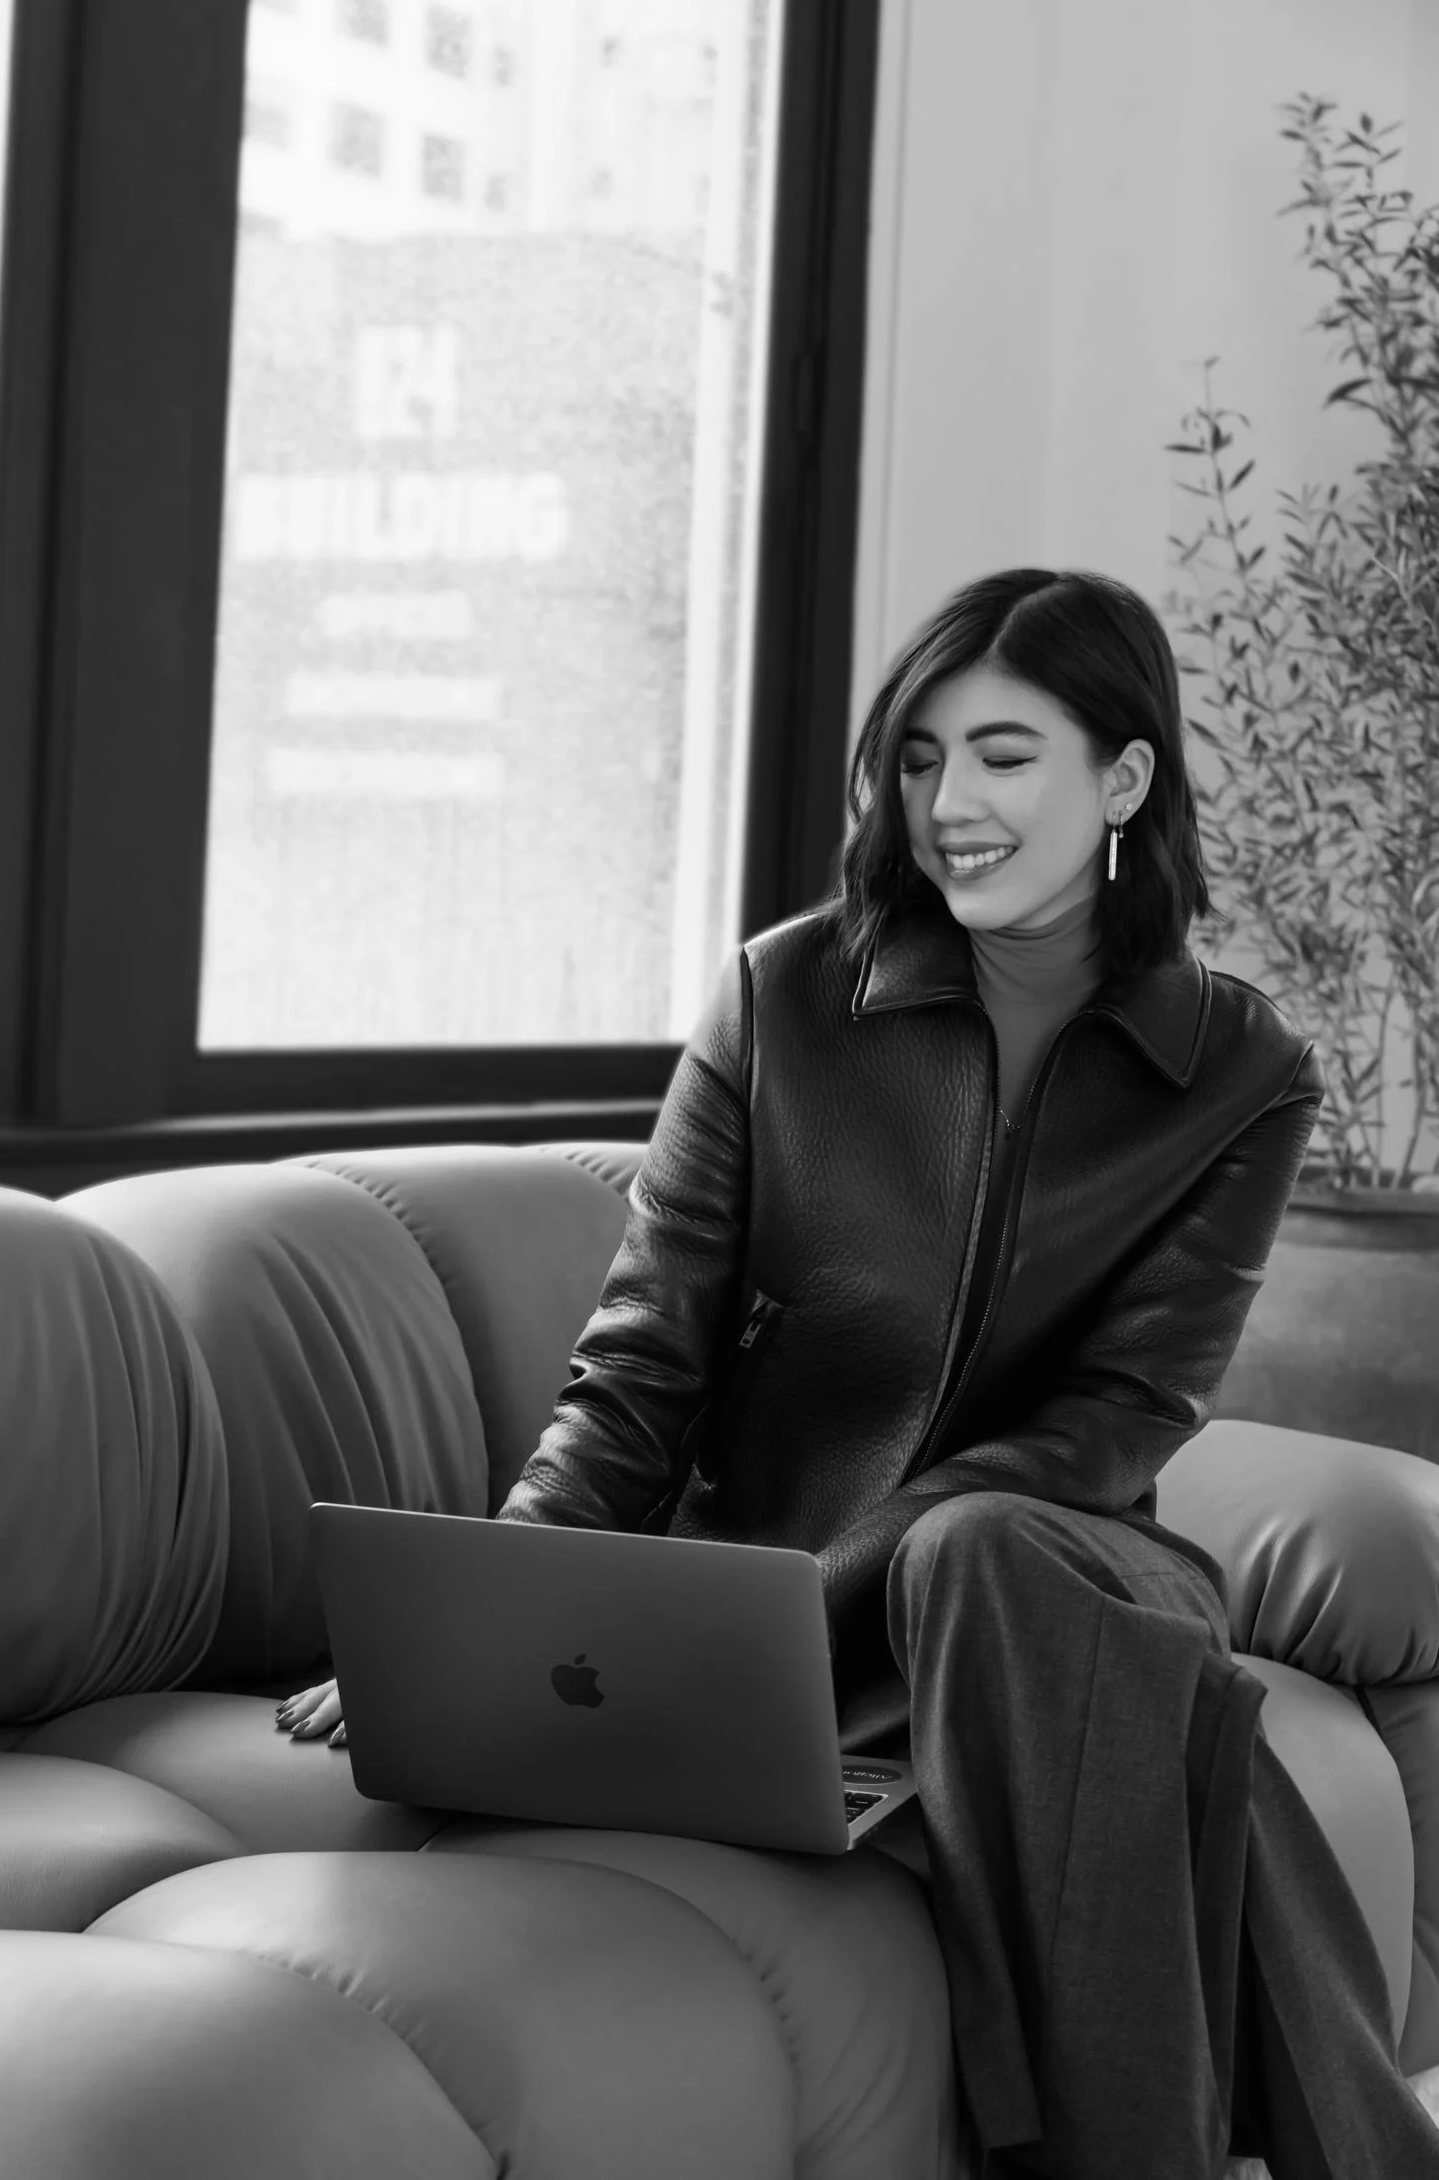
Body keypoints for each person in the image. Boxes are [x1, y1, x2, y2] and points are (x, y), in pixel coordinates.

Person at [274, 567, 1439, 2180]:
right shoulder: (785, 996)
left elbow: (1128, 1413)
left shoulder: (1241, 1067)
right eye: (918, 756)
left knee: (983, 1548)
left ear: (1125, 779)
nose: (950, 803)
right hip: (785, 1606)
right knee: (1174, 1719)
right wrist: (486, 1622)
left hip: (1058, 1565)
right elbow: (640, 1364)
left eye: (1007, 755)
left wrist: (830, 1590)